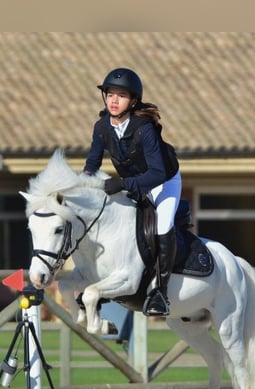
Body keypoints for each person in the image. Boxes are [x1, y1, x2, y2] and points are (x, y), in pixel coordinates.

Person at [83, 67, 181, 317]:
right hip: (133, 182)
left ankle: (160, 291)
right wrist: (81, 189)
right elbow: (92, 166)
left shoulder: (144, 128)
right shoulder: (101, 127)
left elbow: (157, 173)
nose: (114, 100)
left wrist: (124, 184)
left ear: (133, 100)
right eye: (110, 94)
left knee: (162, 225)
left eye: (121, 95)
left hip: (164, 182)